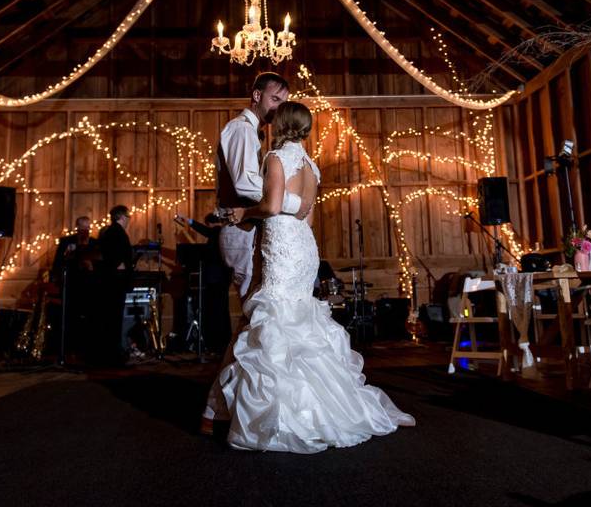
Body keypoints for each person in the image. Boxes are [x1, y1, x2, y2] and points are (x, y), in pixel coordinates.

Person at [219, 101, 414, 453]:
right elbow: (306, 217)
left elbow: (273, 206)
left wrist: (242, 213)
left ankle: (287, 416)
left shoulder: (275, 158)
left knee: (278, 318)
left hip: (282, 243)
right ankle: (325, 406)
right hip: (304, 245)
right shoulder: (311, 166)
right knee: (299, 317)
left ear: (279, 124)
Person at [201, 72, 312, 428]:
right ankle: (221, 409)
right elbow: (245, 183)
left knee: (258, 324)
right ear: (257, 95)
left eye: (284, 102)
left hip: (257, 229)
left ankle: (234, 407)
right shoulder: (240, 130)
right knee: (255, 323)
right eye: (275, 100)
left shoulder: (262, 140)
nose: (278, 108)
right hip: (241, 230)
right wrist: (292, 202)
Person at [174, 213, 233, 353]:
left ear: (209, 223)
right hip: (222, 278)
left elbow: (205, 231)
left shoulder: (217, 231)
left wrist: (188, 220)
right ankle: (221, 341)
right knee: (221, 310)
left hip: (216, 278)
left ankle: (217, 342)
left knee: (216, 310)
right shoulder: (223, 232)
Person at [52, 216, 97, 360]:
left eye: (87, 228)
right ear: (77, 227)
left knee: (88, 318)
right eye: (82, 228)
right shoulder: (67, 241)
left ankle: (85, 349)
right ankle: (69, 349)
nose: (85, 231)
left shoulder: (95, 243)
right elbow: (58, 262)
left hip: (89, 286)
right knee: (70, 318)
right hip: (71, 285)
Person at [94, 205, 133, 367]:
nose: (129, 220)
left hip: (111, 281)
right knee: (113, 319)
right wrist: (121, 265)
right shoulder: (116, 233)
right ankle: (112, 357)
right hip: (115, 281)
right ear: (122, 217)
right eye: (128, 217)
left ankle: (110, 355)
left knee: (111, 318)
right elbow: (116, 256)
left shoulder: (111, 232)